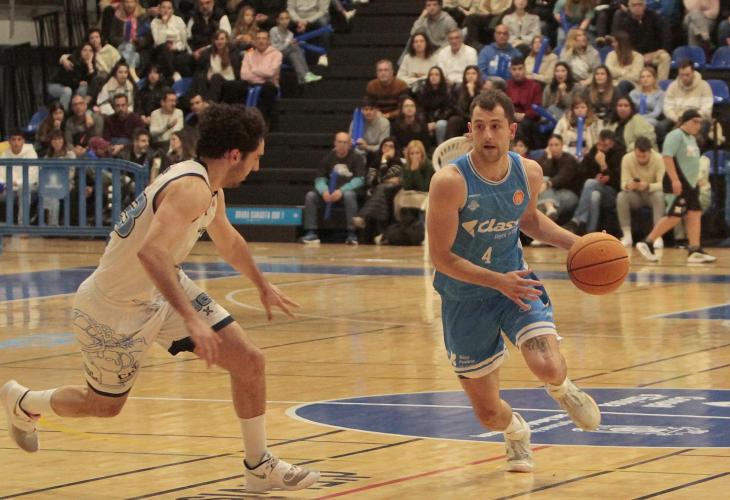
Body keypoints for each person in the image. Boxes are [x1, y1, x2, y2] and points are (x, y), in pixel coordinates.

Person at [0, 104, 321, 493]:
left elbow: (227, 239)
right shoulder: (191, 188)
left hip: (163, 289)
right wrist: (192, 319)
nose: (257, 167)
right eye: (256, 158)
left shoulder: (209, 189)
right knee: (104, 405)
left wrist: (261, 284)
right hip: (112, 307)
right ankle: (24, 401)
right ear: (235, 155)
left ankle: (258, 466)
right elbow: (151, 253)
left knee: (250, 362)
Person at [427, 90, 601, 473]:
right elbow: (441, 258)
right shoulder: (449, 182)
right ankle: (516, 431)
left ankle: (563, 388)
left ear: (512, 130)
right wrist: (496, 281)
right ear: (470, 130)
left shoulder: (529, 172)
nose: (488, 135)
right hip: (464, 297)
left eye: (496, 126)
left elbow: (530, 220)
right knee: (488, 413)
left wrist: (581, 245)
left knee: (547, 365)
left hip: (516, 284)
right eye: (480, 127)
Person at [636, 109, 717, 264]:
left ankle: (694, 250)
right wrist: (675, 180)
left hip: (691, 184)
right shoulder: (675, 135)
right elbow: (667, 157)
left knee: (694, 213)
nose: (698, 125)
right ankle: (647, 242)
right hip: (678, 182)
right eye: (695, 121)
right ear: (684, 121)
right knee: (674, 216)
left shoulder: (691, 138)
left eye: (700, 122)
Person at [300, 131, 366, 245]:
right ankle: (311, 232)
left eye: (345, 142)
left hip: (345, 193)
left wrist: (341, 190)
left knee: (349, 195)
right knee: (310, 196)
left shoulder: (357, 158)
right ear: (335, 143)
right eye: (340, 142)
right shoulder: (328, 158)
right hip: (329, 193)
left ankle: (352, 234)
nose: (342, 145)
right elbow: (320, 178)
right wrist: (324, 191)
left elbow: (359, 180)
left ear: (349, 144)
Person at [562, 129, 625, 235]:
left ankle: (577, 219)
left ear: (612, 144)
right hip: (594, 189)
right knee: (594, 195)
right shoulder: (594, 150)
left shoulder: (620, 154)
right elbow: (582, 171)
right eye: (599, 144)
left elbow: (620, 181)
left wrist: (604, 167)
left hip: (614, 194)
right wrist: (595, 176)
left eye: (605, 146)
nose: (601, 148)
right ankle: (590, 232)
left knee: (590, 183)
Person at [616, 135, 666, 247]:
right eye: (638, 156)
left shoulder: (659, 159)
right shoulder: (627, 159)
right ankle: (627, 236)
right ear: (634, 151)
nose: (641, 159)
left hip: (651, 194)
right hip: (635, 195)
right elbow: (623, 184)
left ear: (650, 152)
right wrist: (629, 185)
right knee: (621, 196)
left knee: (659, 196)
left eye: (644, 156)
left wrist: (648, 186)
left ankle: (657, 236)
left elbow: (663, 184)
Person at [352, 137, 404, 241]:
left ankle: (363, 217)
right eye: (385, 146)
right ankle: (381, 233)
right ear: (381, 148)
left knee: (382, 188)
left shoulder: (398, 162)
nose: (387, 148)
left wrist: (384, 161)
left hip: (394, 191)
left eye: (391, 146)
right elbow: (370, 180)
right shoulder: (375, 162)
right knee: (380, 189)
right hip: (379, 190)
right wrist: (384, 179)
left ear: (395, 149)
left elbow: (388, 178)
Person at [611, 0, 671, 81]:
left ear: (644, 6)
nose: (637, 8)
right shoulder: (623, 21)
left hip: (652, 54)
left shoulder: (654, 17)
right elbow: (623, 44)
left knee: (665, 57)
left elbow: (666, 35)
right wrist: (639, 57)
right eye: (634, 5)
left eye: (640, 5)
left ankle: (661, 85)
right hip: (632, 56)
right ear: (629, 7)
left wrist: (662, 49)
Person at [269, 10, 322, 85]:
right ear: (278, 20)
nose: (285, 21)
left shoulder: (290, 34)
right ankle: (306, 74)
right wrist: (288, 43)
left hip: (287, 56)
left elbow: (288, 47)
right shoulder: (274, 30)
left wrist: (292, 44)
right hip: (276, 55)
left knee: (294, 54)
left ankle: (303, 78)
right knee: (295, 47)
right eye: (282, 19)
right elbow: (275, 48)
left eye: (287, 18)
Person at [505, 57, 542, 149]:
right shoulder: (506, 85)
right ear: (510, 71)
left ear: (525, 69)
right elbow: (503, 106)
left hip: (528, 118)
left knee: (522, 125)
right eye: (514, 69)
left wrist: (525, 115)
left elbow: (537, 108)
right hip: (510, 116)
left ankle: (522, 151)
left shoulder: (535, 86)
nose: (517, 72)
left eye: (520, 69)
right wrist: (512, 114)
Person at [350, 97, 391, 162]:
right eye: (365, 109)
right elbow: (350, 141)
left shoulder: (384, 123)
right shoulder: (356, 122)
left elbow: (383, 146)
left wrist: (367, 147)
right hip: (360, 153)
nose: (368, 112)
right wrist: (355, 143)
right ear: (362, 111)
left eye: (371, 109)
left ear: (376, 110)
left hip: (378, 154)